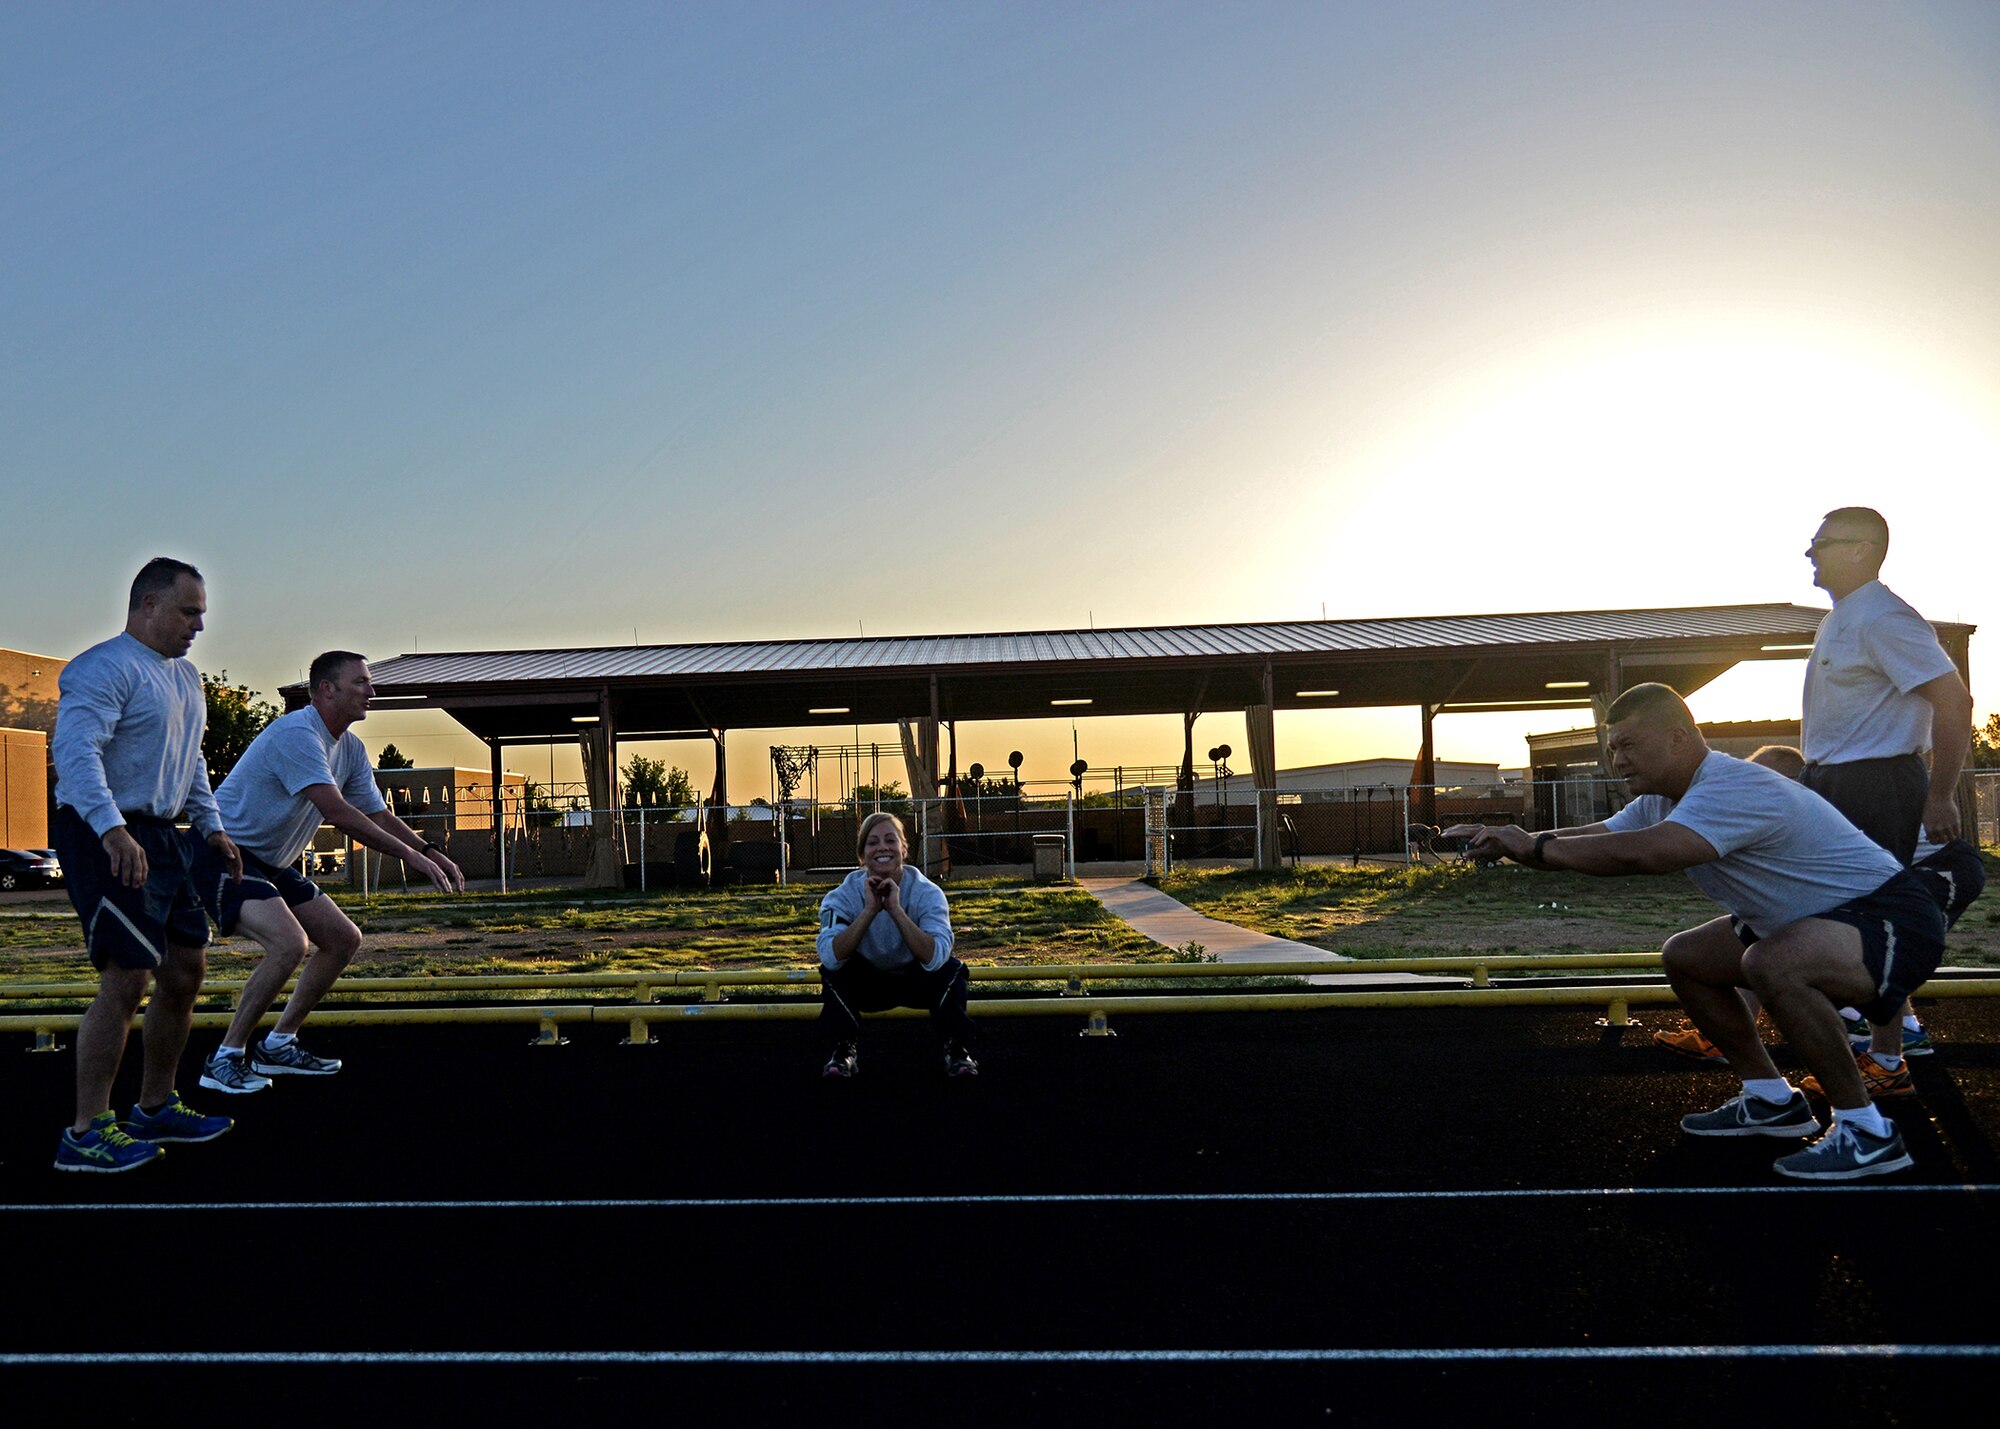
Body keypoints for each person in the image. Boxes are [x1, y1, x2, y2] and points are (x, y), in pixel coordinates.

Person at [1448, 684, 1946, 1180]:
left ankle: (1866, 1131)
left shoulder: (1730, 785)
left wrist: (1531, 848)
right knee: (1687, 957)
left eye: (1629, 745)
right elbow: (1600, 838)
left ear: (1679, 738)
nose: (1616, 759)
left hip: (1890, 920)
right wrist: (1509, 841)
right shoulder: (1662, 799)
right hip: (1817, 925)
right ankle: (1771, 1099)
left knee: (1771, 962)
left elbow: (1643, 854)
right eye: (1612, 747)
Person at [192, 652, 464, 1093]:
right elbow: (337, 811)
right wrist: (410, 859)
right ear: (326, 689)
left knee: (343, 939)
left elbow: (374, 812)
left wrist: (428, 848)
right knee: (288, 943)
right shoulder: (299, 734)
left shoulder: (350, 748)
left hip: (271, 862)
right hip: (223, 852)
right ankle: (225, 1058)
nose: (371, 691)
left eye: (370, 683)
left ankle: (279, 1044)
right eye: (361, 682)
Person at [50, 558, 243, 1173]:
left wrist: (211, 828)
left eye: (202, 615)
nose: (198, 626)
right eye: (189, 613)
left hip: (162, 836)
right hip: (101, 830)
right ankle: (86, 1131)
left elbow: (192, 763)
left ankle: (155, 1105)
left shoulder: (186, 679)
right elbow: (74, 754)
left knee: (185, 970)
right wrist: (112, 829)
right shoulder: (102, 667)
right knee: (128, 979)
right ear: (149, 604)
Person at [1801, 507, 1973, 1059]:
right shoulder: (1845, 615)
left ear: (1859, 550)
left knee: (1866, 912)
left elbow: (1953, 699)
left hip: (1875, 783)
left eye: (1821, 543)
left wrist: (1940, 794)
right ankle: (1894, 1033)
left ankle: (1888, 1055)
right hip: (1836, 782)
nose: (1810, 552)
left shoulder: (1883, 617)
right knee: (1828, 907)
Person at [815, 811, 977, 1078]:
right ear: (862, 854)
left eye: (890, 840)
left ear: (904, 849)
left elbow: (936, 957)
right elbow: (830, 957)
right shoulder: (842, 895)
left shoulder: (928, 893)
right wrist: (869, 911)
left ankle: (957, 1050)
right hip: (868, 983)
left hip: (916, 980)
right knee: (833, 973)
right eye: (873, 842)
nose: (882, 848)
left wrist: (895, 910)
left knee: (953, 971)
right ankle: (843, 1049)